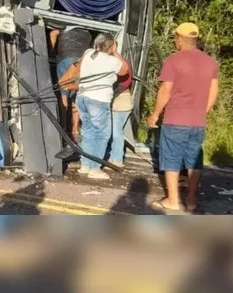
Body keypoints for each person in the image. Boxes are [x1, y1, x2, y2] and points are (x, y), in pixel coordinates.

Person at [146, 22, 219, 214]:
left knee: (171, 158)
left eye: (175, 38)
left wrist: (155, 114)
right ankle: (192, 200)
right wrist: (203, 111)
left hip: (176, 119)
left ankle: (172, 200)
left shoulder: (173, 61)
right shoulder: (210, 63)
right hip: (198, 122)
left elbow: (166, 89)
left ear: (179, 39)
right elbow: (214, 91)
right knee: (193, 160)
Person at [61, 33, 129, 180]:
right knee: (102, 134)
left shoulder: (88, 53)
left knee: (88, 132)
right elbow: (125, 69)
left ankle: (85, 165)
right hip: (99, 100)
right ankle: (95, 168)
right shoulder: (112, 61)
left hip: (82, 97)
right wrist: (116, 51)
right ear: (110, 46)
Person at [49, 27, 93, 140]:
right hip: (80, 61)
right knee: (77, 93)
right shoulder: (87, 31)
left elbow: (53, 34)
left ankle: (63, 126)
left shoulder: (63, 27)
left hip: (64, 59)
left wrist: (52, 51)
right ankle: (75, 129)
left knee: (63, 94)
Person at [108, 59, 133, 168]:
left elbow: (123, 84)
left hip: (121, 102)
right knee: (117, 131)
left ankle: (117, 158)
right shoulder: (123, 63)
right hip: (124, 101)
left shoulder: (120, 65)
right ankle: (114, 157)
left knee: (116, 131)